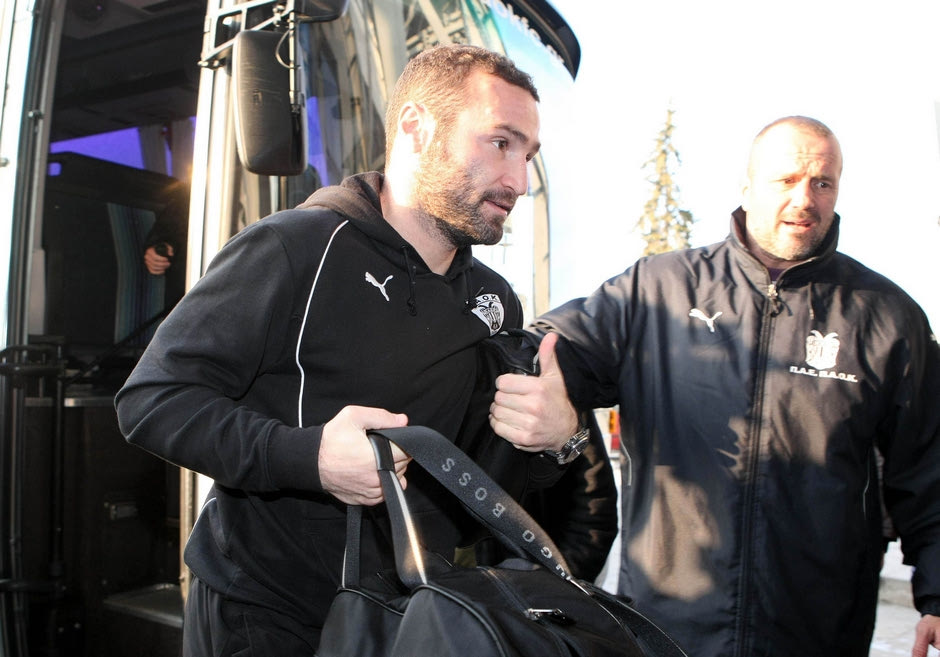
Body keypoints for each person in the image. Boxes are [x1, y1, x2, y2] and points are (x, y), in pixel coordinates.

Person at [115, 44, 583, 654]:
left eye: (528, 155)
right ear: (416, 127)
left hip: (409, 616)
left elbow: (478, 479)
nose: (518, 181)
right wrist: (309, 458)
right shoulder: (295, 247)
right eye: (500, 143)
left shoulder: (493, 300)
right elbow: (152, 400)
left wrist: (554, 441)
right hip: (266, 613)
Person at [489, 116, 940, 657]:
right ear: (746, 186)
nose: (805, 198)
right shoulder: (657, 292)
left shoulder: (886, 317)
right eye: (786, 179)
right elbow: (542, 352)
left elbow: (929, 469)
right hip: (666, 628)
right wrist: (551, 401)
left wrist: (937, 595)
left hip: (820, 630)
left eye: (823, 182)